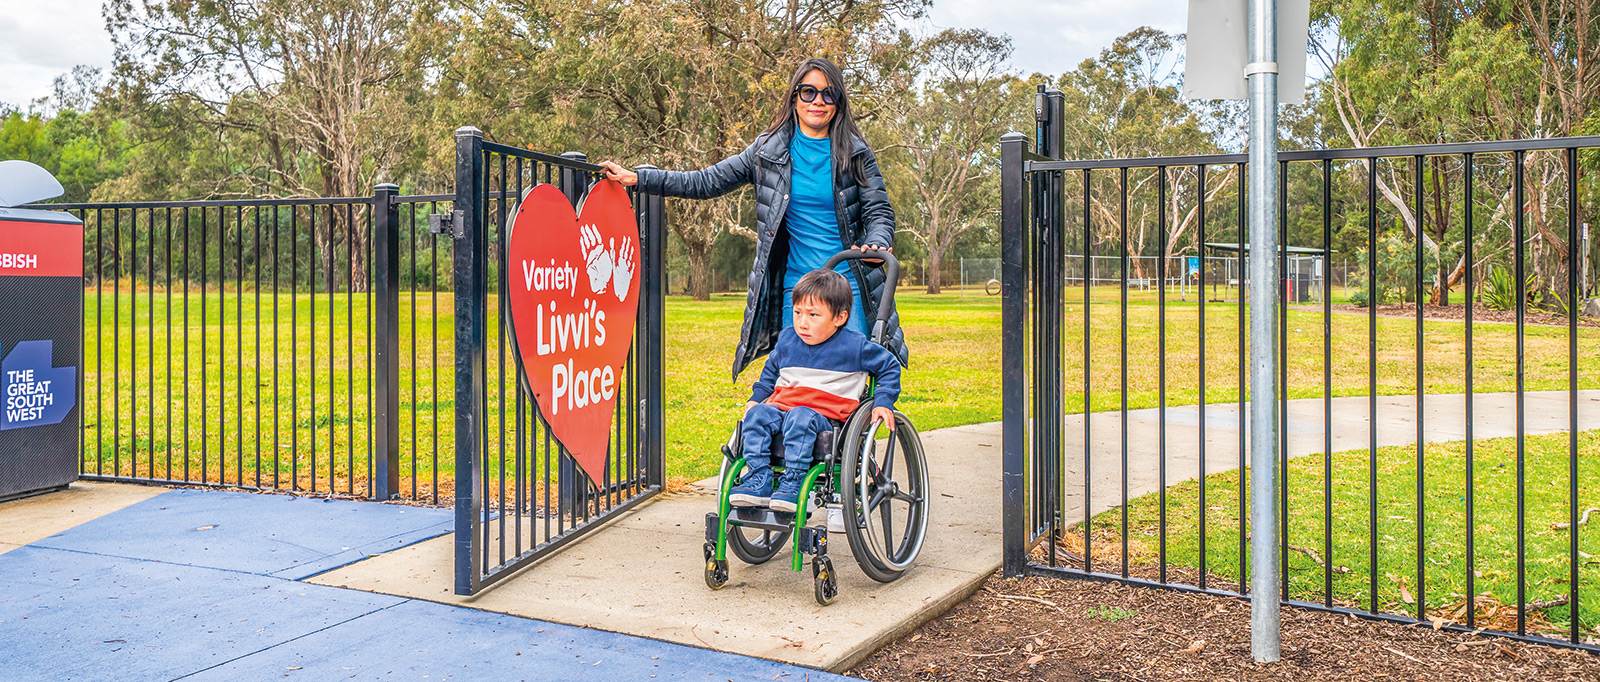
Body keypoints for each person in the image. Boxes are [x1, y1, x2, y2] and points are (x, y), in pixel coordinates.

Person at [598, 56, 909, 379]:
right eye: (809, 92)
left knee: (851, 377)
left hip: (848, 286)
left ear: (838, 103)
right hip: (798, 288)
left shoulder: (855, 153)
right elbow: (707, 181)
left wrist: (877, 241)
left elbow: (879, 211)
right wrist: (640, 179)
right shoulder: (766, 151)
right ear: (794, 97)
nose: (818, 101)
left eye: (829, 94)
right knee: (797, 380)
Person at [727, 269, 901, 512]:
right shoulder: (788, 340)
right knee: (757, 416)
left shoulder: (854, 346)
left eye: (813, 315)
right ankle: (759, 477)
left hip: (825, 419)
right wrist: (757, 399)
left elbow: (889, 365)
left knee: (800, 415)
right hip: (783, 410)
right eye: (797, 312)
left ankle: (794, 481)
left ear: (839, 318)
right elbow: (770, 370)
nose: (802, 322)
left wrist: (883, 401)